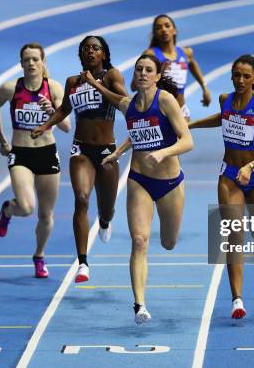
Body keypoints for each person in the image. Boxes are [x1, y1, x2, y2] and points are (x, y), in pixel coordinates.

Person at [81, 54, 194, 324]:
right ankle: (139, 305)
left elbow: (188, 141)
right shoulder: (128, 105)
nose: (142, 73)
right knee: (140, 241)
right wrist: (118, 153)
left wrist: (164, 153)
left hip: (169, 183)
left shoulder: (165, 100)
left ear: (156, 76)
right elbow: (137, 131)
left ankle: (144, 294)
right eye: (139, 69)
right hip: (139, 179)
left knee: (168, 243)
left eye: (148, 70)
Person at [31, 36, 128, 283]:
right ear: (80, 55)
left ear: (104, 54)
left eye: (95, 48)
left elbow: (124, 103)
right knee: (82, 199)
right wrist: (45, 125)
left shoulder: (112, 76)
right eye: (85, 49)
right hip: (81, 150)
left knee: (106, 209)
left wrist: (95, 85)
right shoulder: (72, 81)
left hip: (107, 151)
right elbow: (64, 110)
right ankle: (83, 263)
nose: (90, 52)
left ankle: (105, 222)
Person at [189, 54, 254, 319]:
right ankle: (237, 300)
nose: (240, 80)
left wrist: (250, 167)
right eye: (236, 75)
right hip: (229, 175)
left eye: (246, 76)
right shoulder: (224, 100)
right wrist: (191, 125)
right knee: (234, 235)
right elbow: (223, 117)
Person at [0, 42, 71, 279]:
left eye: (36, 59)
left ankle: (39, 255)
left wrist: (51, 112)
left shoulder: (54, 89)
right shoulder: (10, 89)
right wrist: (2, 141)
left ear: (43, 62)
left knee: (46, 215)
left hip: (47, 153)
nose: (31, 63)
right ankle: (8, 210)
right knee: (26, 208)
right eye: (27, 59)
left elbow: (66, 127)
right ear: (21, 63)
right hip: (21, 154)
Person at [132, 14, 212, 120]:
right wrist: (158, 74)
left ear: (175, 30)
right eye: (159, 28)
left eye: (167, 26)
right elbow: (134, 86)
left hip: (181, 110)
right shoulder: (151, 54)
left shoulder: (186, 52)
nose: (164, 30)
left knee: (185, 137)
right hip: (159, 110)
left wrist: (204, 87)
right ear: (155, 34)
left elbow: (192, 63)